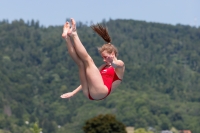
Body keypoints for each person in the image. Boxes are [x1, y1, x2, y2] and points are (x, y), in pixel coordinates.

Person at [60, 18, 125, 100]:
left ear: (112, 54)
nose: (104, 60)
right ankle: (67, 38)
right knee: (81, 64)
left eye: (105, 57)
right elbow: (90, 79)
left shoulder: (120, 65)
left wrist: (112, 61)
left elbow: (117, 64)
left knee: (89, 61)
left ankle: (74, 34)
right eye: (103, 57)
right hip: (89, 93)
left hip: (101, 92)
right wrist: (73, 93)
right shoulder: (103, 66)